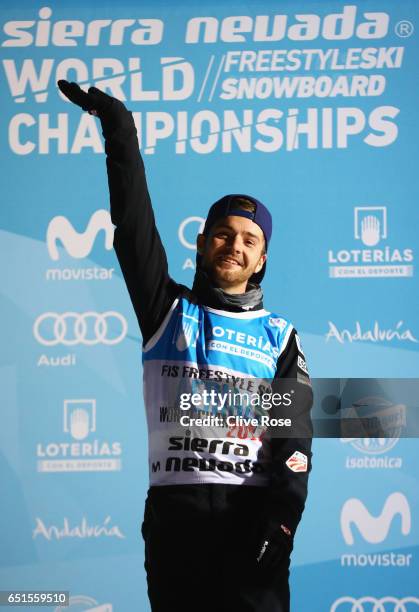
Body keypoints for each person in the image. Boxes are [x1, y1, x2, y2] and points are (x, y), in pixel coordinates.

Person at [57, 80, 313, 612]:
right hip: (178, 526)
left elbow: (295, 441)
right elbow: (132, 229)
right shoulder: (166, 310)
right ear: (201, 243)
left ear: (262, 259)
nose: (234, 247)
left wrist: (281, 522)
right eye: (222, 233)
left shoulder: (279, 335)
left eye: (249, 240)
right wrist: (119, 129)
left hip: (254, 523)